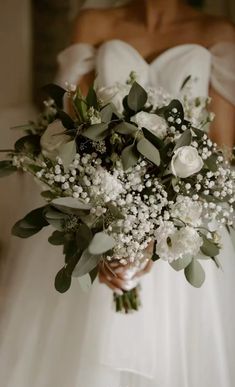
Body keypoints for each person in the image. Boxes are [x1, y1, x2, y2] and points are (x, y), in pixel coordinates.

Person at [0, 1, 235, 386]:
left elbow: (221, 155)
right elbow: (73, 134)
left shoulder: (219, 33)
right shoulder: (93, 22)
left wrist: (157, 234)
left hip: (182, 226)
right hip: (100, 213)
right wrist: (103, 228)